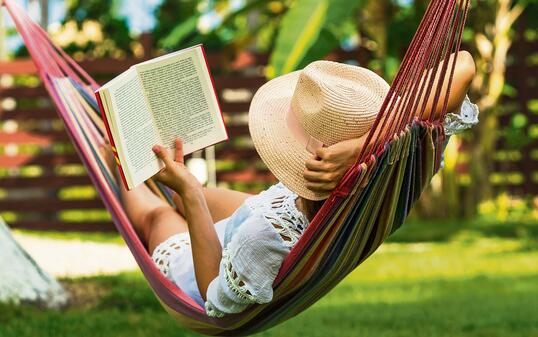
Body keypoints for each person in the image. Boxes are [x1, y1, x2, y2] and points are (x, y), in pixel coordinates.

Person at [102, 51, 478, 318]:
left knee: (158, 216)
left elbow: (213, 298)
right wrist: (367, 145)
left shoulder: (262, 240)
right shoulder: (398, 162)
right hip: (271, 207)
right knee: (178, 191)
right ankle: (168, 180)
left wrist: (190, 194)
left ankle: (114, 158)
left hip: (209, 262)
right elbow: (464, 63)